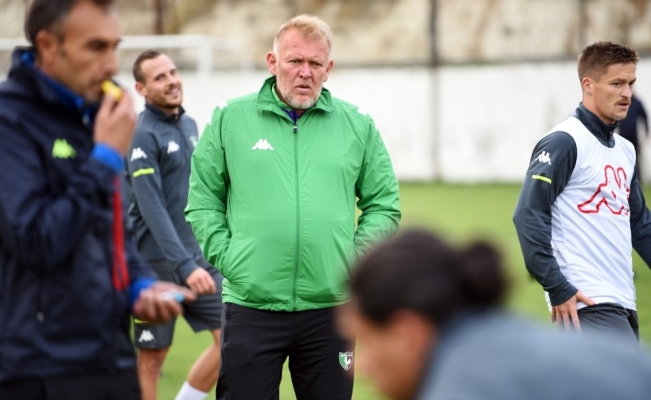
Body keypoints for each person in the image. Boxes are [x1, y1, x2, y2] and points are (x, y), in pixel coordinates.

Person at [185, 14, 401, 400]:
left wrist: (352, 263)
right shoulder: (230, 118)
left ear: (328, 69)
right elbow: (202, 201)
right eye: (295, 61)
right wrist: (232, 259)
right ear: (273, 62)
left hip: (330, 308)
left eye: (315, 63)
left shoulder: (358, 125)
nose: (305, 72)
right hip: (251, 303)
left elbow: (384, 205)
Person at [0, 1, 196, 399]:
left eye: (113, 47)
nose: (111, 64)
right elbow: (36, 239)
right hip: (40, 369)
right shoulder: (10, 121)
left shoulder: (98, 116)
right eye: (95, 47)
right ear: (48, 45)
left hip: (111, 357)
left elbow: (113, 232)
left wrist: (138, 284)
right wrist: (104, 159)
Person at [341, 229, 651, 400]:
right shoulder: (500, 334)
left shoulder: (463, 387)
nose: (359, 367)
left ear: (407, 335)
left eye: (366, 341)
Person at [513, 41, 651, 343]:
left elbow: (640, 224)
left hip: (622, 299)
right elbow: (528, 214)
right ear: (588, 85)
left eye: (631, 83)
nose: (627, 93)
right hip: (585, 301)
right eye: (617, 83)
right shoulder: (564, 141)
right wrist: (557, 286)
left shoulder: (625, 150)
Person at [127, 50, 223, 400]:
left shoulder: (190, 124)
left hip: (197, 258)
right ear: (141, 88)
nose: (171, 81)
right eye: (159, 77)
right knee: (153, 359)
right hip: (155, 264)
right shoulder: (140, 134)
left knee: (232, 337)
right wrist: (183, 264)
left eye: (172, 72)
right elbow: (151, 208)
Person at [618, 94, 649, 179]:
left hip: (633, 136)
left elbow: (644, 116)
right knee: (622, 159)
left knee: (635, 160)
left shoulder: (637, 103)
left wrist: (646, 130)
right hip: (622, 136)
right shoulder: (620, 101)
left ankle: (638, 180)